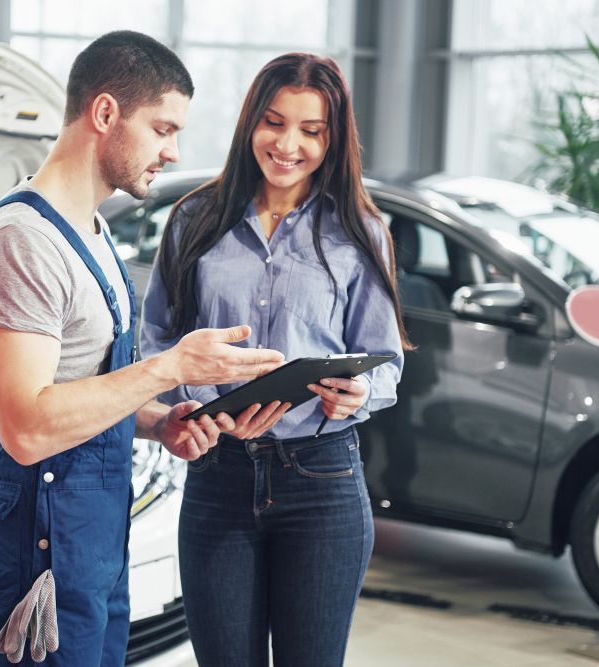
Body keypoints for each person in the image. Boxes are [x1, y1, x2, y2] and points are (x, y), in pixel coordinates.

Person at [0, 31, 285, 667]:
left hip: (97, 536)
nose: (173, 151)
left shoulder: (96, 232)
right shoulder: (22, 243)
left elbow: (82, 382)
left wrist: (160, 422)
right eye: (162, 129)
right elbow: (27, 427)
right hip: (43, 543)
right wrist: (170, 367)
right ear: (105, 113)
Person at [141, 52, 411, 666]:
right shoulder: (194, 221)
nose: (288, 144)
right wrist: (199, 409)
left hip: (322, 483)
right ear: (250, 127)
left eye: (311, 131)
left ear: (332, 139)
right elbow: (156, 344)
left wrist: (360, 394)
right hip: (218, 477)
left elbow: (385, 361)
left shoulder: (360, 230)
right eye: (274, 122)